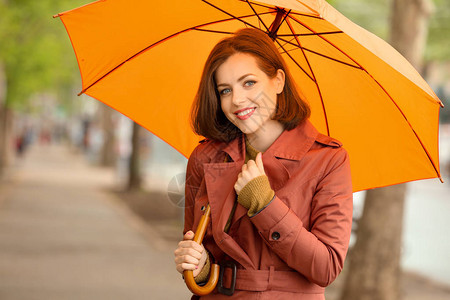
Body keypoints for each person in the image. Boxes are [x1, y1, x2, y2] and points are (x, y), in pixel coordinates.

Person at [174, 28, 353, 299]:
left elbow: (326, 267)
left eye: (249, 83)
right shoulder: (204, 158)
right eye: (225, 90)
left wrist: (264, 204)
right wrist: (200, 267)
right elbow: (201, 251)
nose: (237, 100)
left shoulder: (327, 159)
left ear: (278, 81)